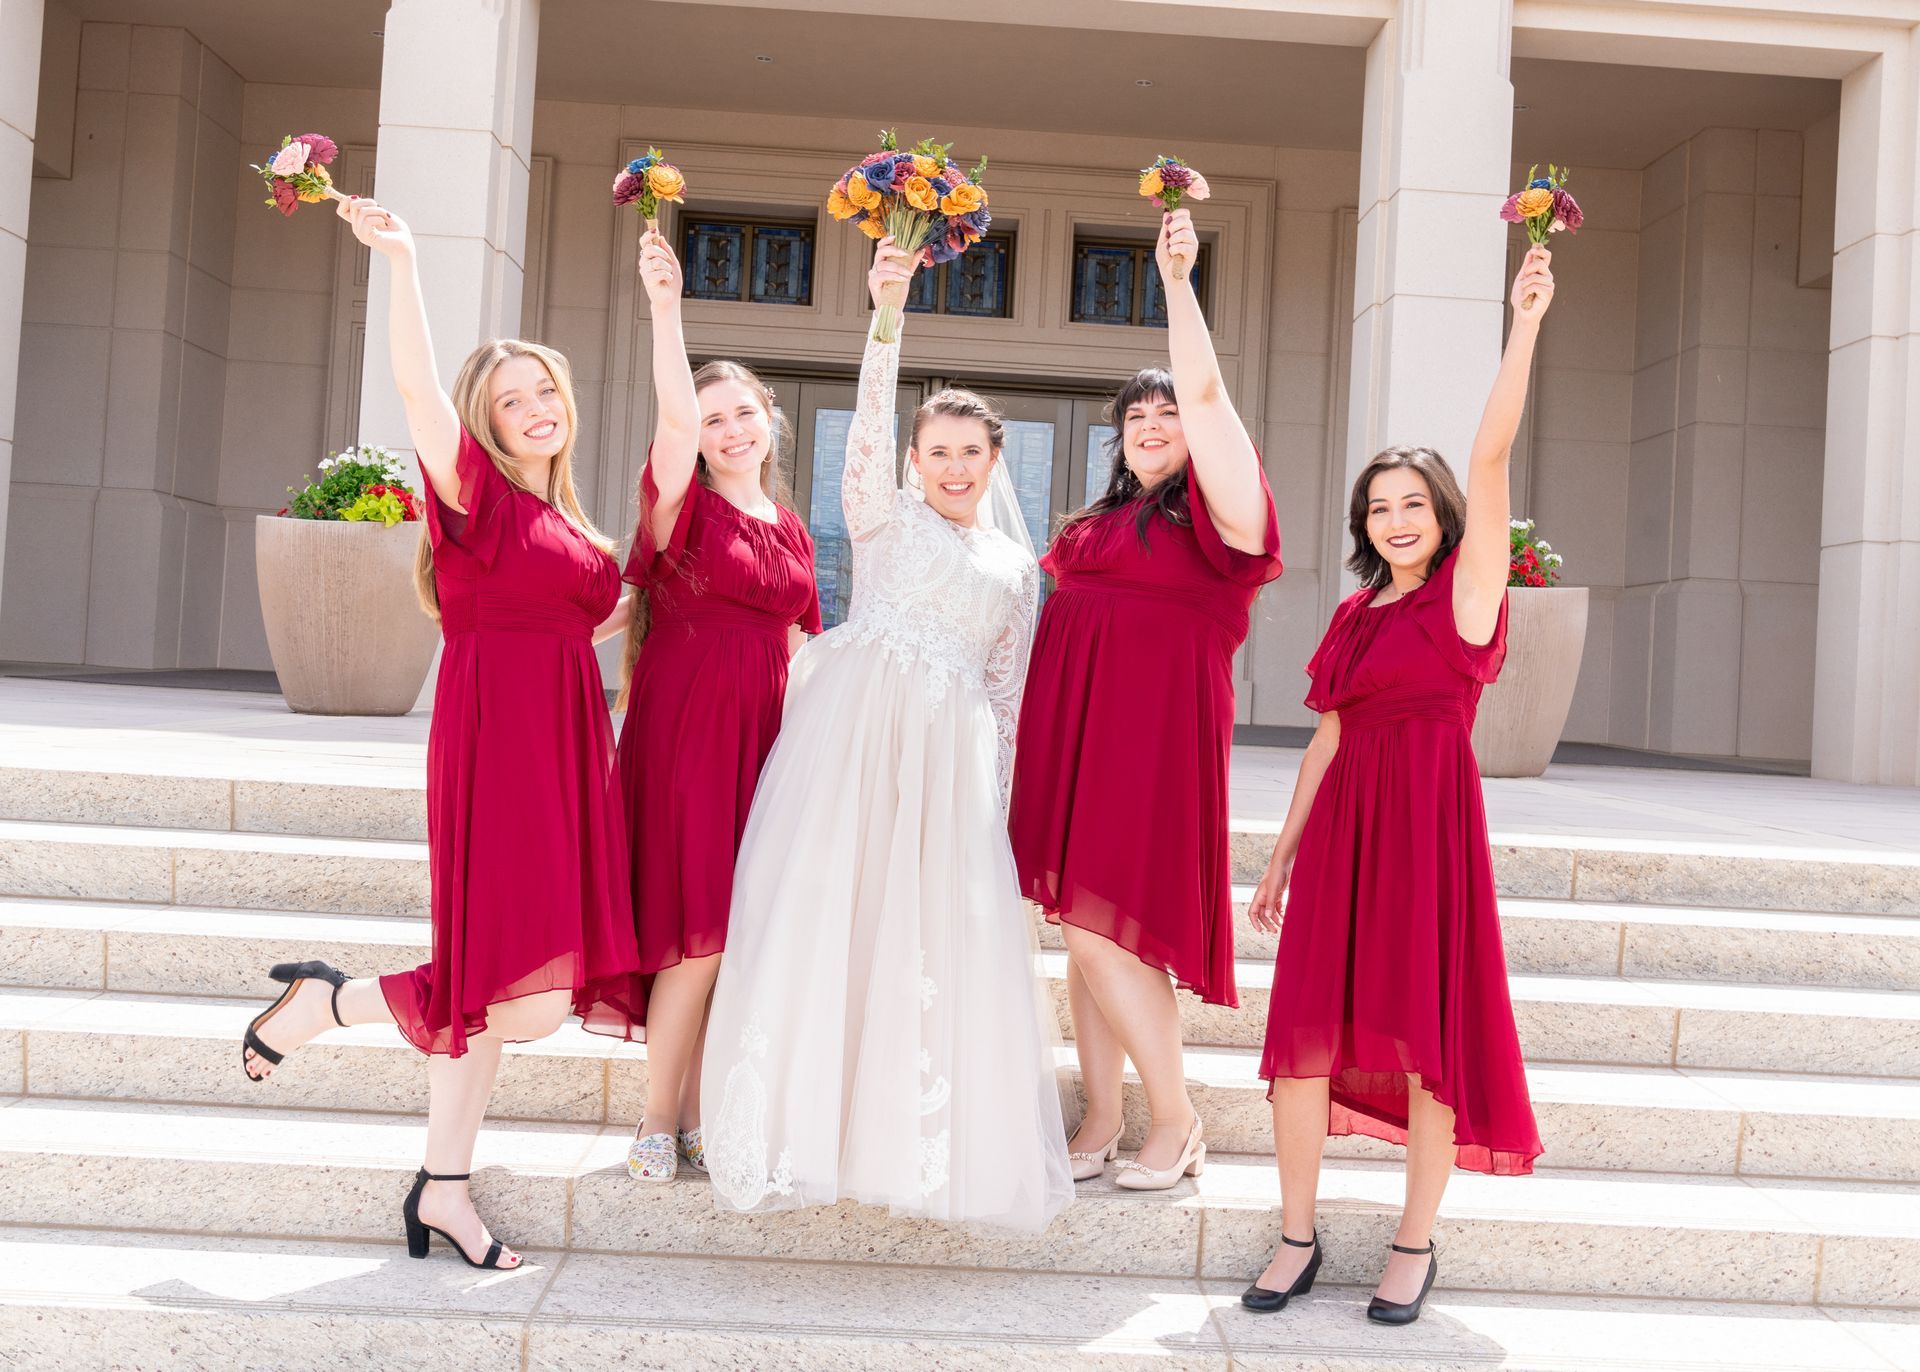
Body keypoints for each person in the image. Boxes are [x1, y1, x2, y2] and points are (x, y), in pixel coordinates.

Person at [237, 196, 640, 1271]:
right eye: (511, 399)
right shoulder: (479, 499)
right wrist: (404, 260)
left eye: (544, 389)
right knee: (532, 994)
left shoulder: (573, 522)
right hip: (499, 749)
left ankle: (445, 1187)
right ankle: (332, 1003)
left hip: (563, 749)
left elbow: (587, 619)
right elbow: (417, 386)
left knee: (500, 980)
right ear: (489, 420)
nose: (533, 407)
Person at [697, 236, 1073, 1231]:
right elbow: (866, 421)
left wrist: (988, 800)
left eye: (970, 451)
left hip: (946, 758)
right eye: (935, 450)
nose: (952, 465)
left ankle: (899, 1139)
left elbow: (1008, 691)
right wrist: (886, 316)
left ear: (995, 461)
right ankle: (798, 1122)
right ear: (913, 460)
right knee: (834, 916)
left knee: (921, 934)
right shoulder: (881, 517)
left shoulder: (1013, 571)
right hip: (855, 738)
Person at [1244, 246, 1556, 1326]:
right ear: (1364, 525)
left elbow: (1494, 448)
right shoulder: (1355, 614)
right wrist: (1281, 850)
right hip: (1342, 835)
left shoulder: (1470, 598)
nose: (1396, 518)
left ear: (1445, 513)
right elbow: (1327, 738)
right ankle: (1296, 1232)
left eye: (1414, 501)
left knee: (1427, 1048)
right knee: (1301, 1044)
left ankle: (1413, 1245)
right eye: (1379, 507)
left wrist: (1522, 323)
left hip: (1427, 831)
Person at [1008, 207, 1281, 1190]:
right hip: (1074, 740)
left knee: (1103, 927)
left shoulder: (1224, 521)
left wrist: (1176, 280)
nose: (1157, 424)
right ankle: (1105, 1117)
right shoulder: (1105, 519)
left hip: (1152, 743)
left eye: (1169, 415)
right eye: (1139, 416)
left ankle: (1176, 1118)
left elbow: (1205, 391)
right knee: (1084, 935)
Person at [585, 231, 823, 1184]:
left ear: (770, 419)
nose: (729, 431)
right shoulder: (679, 504)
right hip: (687, 734)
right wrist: (666, 310)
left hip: (765, 743)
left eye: (743, 414)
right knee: (696, 932)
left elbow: (805, 645)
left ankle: (688, 1114)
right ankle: (653, 1118)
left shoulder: (793, 527)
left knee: (731, 934)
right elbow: (674, 427)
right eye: (713, 416)